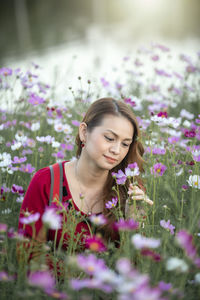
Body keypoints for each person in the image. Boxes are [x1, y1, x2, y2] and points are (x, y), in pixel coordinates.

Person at [18, 97, 153, 259]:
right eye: (109, 138)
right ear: (84, 132)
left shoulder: (129, 189)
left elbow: (135, 264)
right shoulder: (47, 181)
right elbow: (27, 254)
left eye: (125, 144)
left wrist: (136, 226)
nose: (117, 150)